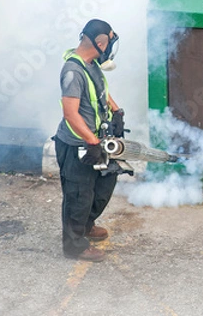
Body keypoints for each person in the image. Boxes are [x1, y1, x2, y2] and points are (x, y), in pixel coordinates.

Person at [54, 18, 126, 262]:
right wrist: (91, 141)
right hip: (79, 145)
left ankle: (86, 225)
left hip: (97, 139)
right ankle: (74, 245)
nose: (109, 49)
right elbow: (70, 114)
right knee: (79, 194)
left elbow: (101, 91)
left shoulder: (92, 63)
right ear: (100, 42)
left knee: (104, 184)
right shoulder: (73, 72)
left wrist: (116, 111)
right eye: (109, 43)